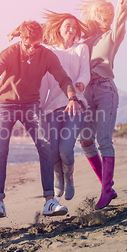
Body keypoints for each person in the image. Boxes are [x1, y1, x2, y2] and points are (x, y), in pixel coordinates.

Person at [0, 20, 81, 218]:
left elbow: (63, 78)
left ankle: (49, 201)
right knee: (1, 147)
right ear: (21, 39)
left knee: (45, 144)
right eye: (28, 45)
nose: (32, 49)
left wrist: (72, 97)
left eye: (36, 45)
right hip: (5, 104)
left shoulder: (46, 55)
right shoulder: (8, 53)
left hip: (31, 105)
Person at [77, 0, 127, 210]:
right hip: (85, 93)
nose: (106, 16)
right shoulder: (84, 40)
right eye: (101, 13)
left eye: (109, 13)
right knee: (85, 140)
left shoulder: (112, 36)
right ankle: (107, 187)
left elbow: (122, 14)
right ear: (93, 15)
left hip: (105, 90)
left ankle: (105, 191)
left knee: (103, 140)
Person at [39, 12, 90, 201]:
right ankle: (58, 176)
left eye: (74, 27)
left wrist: (81, 84)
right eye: (67, 26)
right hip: (52, 107)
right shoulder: (48, 51)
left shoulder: (81, 48)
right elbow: (44, 82)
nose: (71, 29)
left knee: (66, 148)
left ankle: (68, 177)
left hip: (75, 104)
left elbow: (85, 71)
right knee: (52, 150)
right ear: (59, 28)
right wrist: (39, 107)